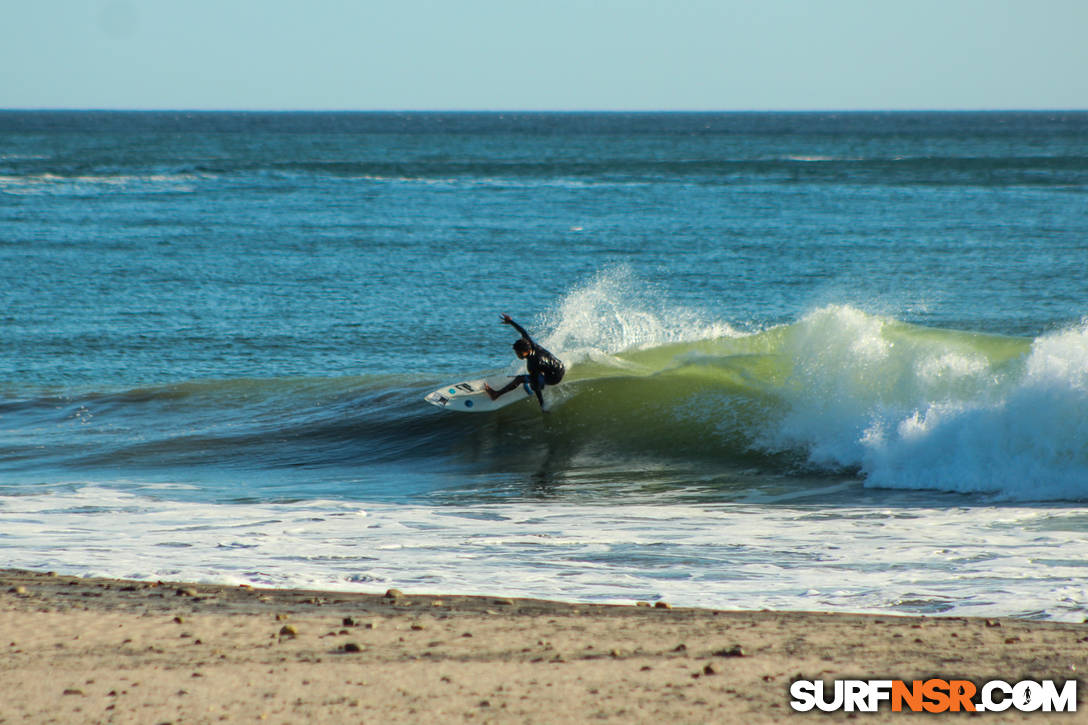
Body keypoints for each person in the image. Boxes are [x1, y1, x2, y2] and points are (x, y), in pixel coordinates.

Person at [484, 314, 565, 409]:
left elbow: (536, 387)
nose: (517, 355)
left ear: (525, 352)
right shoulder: (529, 344)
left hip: (554, 378)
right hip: (559, 366)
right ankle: (537, 378)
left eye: (518, 353)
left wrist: (542, 405)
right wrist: (510, 321)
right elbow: (523, 331)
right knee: (534, 376)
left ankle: (496, 394)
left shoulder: (534, 363)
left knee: (521, 379)